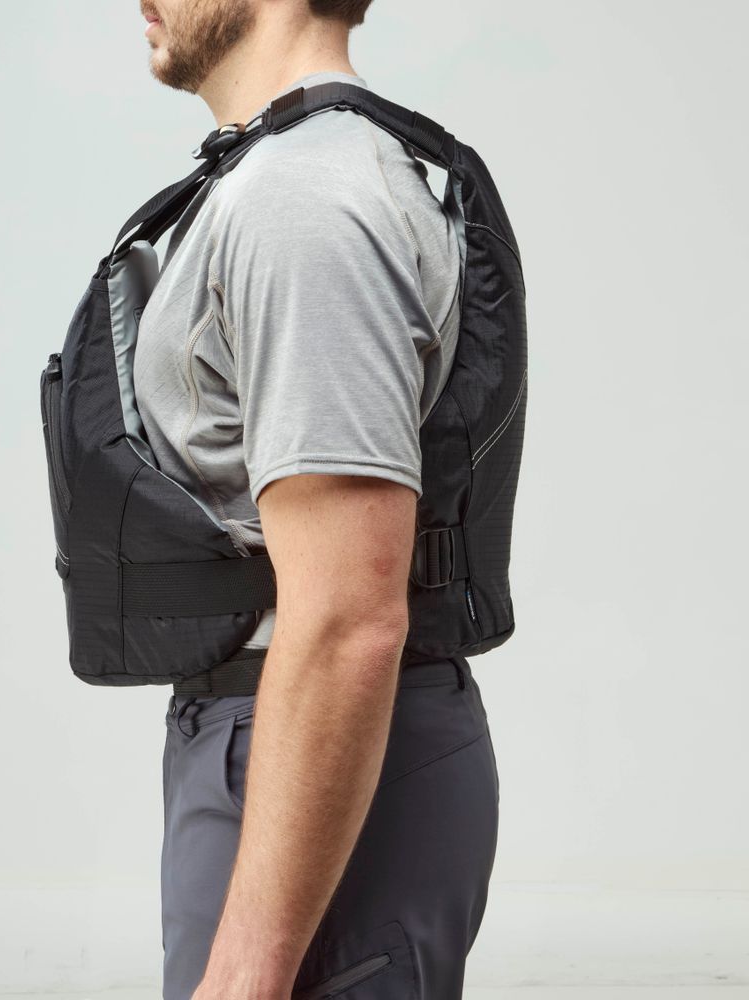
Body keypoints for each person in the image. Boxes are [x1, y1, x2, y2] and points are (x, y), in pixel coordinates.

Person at [135, 1, 501, 997]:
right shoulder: (279, 179)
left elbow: (346, 617)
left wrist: (247, 976)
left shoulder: (304, 203)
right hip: (281, 741)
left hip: (318, 743)